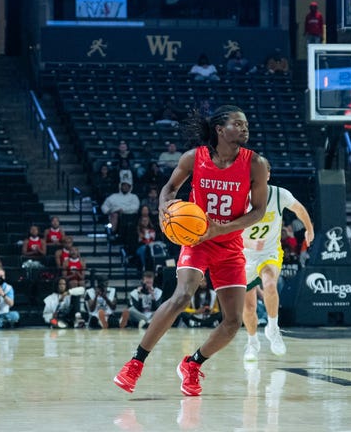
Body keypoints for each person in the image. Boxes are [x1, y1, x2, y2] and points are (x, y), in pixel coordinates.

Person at [114, 105, 269, 396]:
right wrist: (163, 210)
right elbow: (169, 189)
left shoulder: (255, 163)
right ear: (221, 130)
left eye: (246, 124)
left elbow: (258, 211)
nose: (245, 128)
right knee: (182, 295)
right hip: (197, 241)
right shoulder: (194, 158)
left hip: (230, 244)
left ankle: (193, 364)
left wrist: (222, 229)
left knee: (233, 321)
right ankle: (135, 362)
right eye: (238, 123)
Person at [241, 177, 315, 361]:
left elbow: (299, 209)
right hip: (244, 254)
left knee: (270, 284)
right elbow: (228, 231)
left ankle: (273, 329)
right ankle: (252, 343)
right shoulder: (239, 197)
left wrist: (309, 229)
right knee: (249, 307)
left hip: (269, 252)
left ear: (266, 175)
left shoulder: (279, 194)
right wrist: (250, 243)